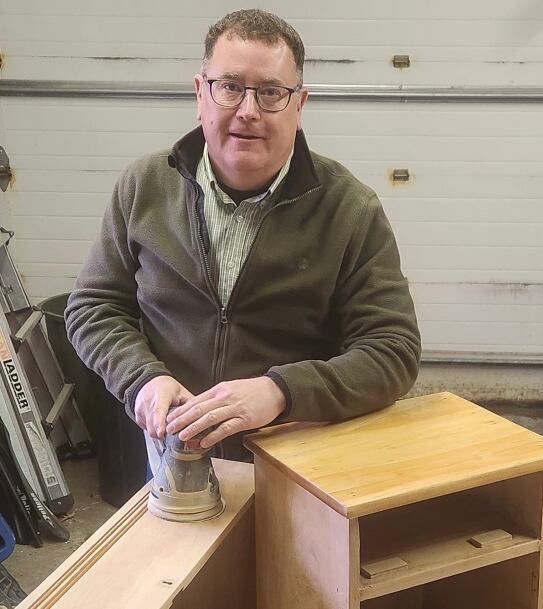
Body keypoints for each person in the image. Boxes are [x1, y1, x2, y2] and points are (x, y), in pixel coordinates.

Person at [64, 9, 421, 460]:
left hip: (300, 458)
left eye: (271, 92)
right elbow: (93, 307)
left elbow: (394, 350)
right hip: (172, 452)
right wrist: (142, 378)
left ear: (299, 105)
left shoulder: (350, 210)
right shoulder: (145, 187)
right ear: (201, 94)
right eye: (230, 87)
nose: (248, 111)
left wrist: (280, 392)